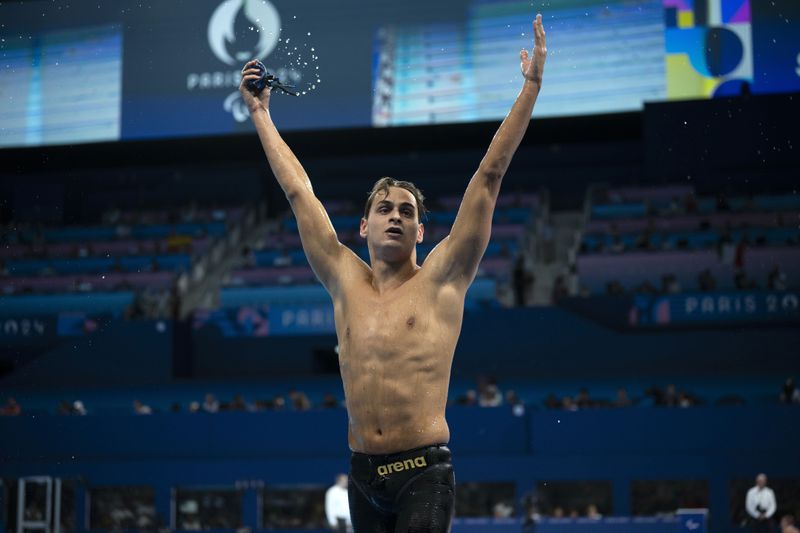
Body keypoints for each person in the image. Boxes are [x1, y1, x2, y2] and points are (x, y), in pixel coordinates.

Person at [239, 13, 548, 532]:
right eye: (385, 208)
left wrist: (531, 88)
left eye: (408, 212)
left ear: (422, 232)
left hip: (423, 475)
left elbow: (490, 176)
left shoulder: (443, 278)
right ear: (363, 226)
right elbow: (298, 193)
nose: (397, 217)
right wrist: (260, 113)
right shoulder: (342, 277)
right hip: (361, 475)